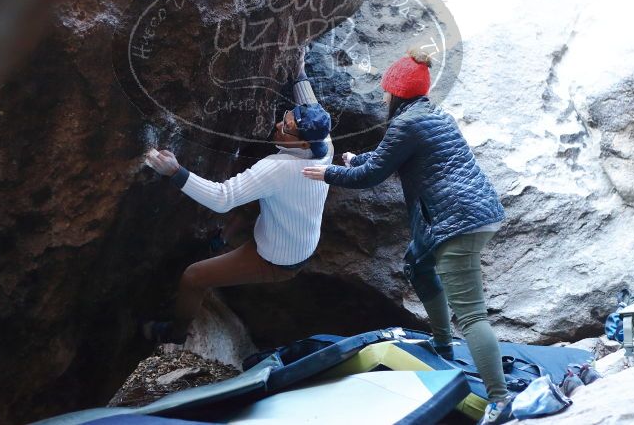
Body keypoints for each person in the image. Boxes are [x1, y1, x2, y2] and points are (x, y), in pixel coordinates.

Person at [302, 46, 513, 425]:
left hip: (456, 224)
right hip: (468, 214)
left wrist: (329, 173)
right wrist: (354, 159)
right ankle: (443, 343)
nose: (383, 95)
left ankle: (499, 399)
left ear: (397, 92)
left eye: (386, 89)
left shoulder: (407, 123)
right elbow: (386, 158)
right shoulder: (428, 116)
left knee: (473, 315)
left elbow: (372, 176)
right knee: (417, 264)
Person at [146, 50, 333, 345]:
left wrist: (176, 172)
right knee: (251, 205)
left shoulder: (277, 169)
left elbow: (223, 198)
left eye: (286, 129)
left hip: (276, 258)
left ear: (303, 142)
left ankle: (175, 333)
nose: (277, 127)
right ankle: (222, 241)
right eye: (284, 119)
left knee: (194, 277)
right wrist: (299, 73)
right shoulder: (325, 147)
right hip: (297, 238)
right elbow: (310, 106)